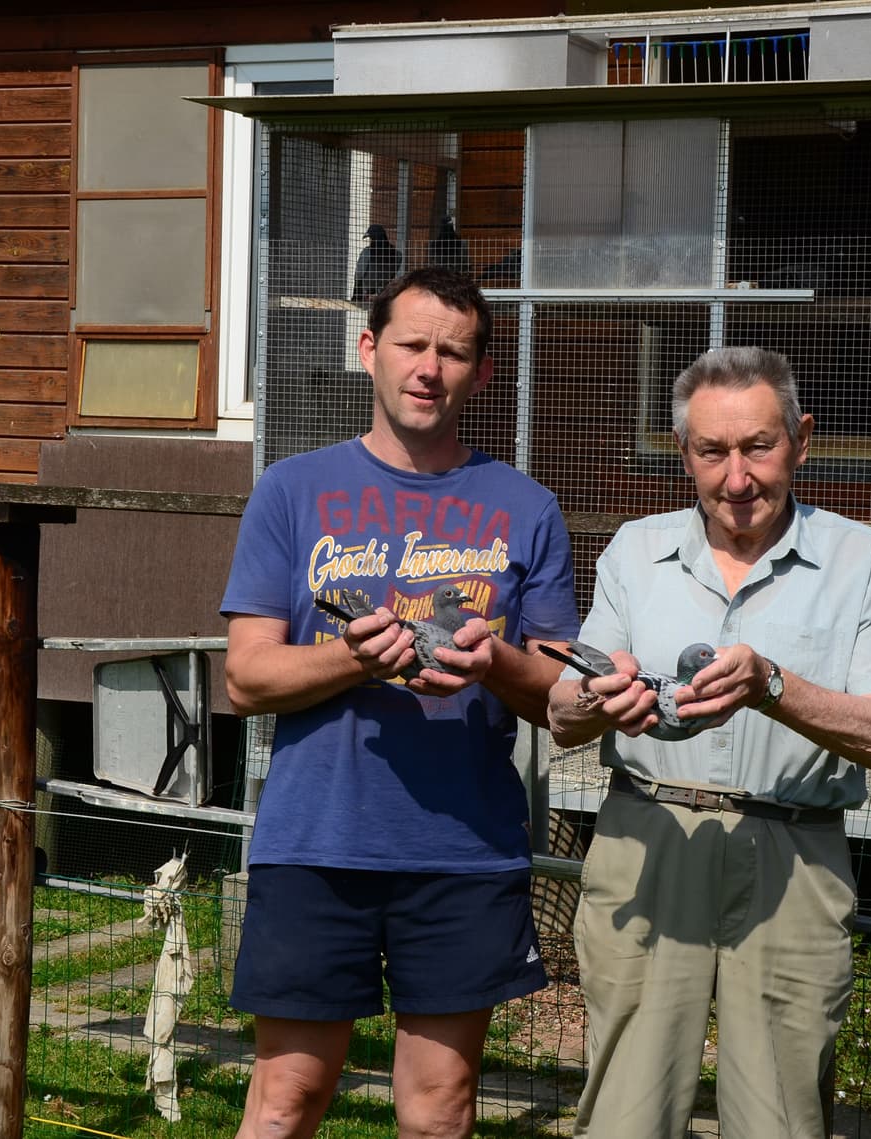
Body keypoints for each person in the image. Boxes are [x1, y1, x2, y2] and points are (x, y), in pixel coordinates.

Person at [220, 266, 579, 1139]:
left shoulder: (526, 509)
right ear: (369, 350)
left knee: (438, 1111)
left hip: (463, 850)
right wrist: (349, 658)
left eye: (454, 352)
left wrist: (492, 659)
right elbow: (245, 677)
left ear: (482, 372)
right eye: (413, 345)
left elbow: (564, 693)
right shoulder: (291, 491)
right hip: (317, 840)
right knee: (285, 1102)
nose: (431, 368)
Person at [546, 345, 871, 1139]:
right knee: (625, 1118)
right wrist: (599, 695)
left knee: (781, 1119)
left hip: (793, 854)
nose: (737, 478)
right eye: (712, 452)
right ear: (685, 452)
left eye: (759, 446)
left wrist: (771, 685)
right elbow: (563, 713)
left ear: (802, 439)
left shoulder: (859, 560)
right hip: (647, 841)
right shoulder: (634, 553)